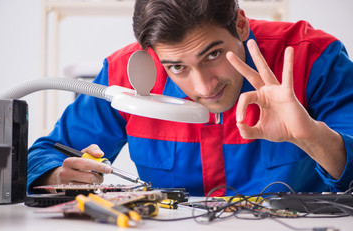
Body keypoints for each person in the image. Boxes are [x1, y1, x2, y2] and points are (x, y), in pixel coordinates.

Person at [27, 0, 353, 196]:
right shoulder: (123, 75)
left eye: (213, 55)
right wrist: (59, 176)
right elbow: (44, 154)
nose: (203, 86)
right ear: (152, 54)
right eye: (177, 67)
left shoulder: (312, 56)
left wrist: (312, 137)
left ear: (240, 24)